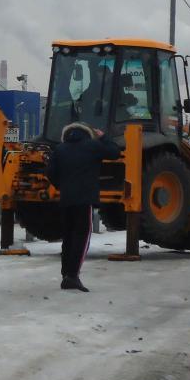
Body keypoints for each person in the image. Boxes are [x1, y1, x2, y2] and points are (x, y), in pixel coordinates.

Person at [46, 121, 121, 292]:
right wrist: (104, 137)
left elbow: (50, 173)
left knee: (69, 237)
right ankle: (73, 276)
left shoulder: (60, 149)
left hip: (66, 200)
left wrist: (61, 186)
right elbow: (115, 152)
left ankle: (66, 274)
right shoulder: (92, 146)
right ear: (87, 133)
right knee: (82, 236)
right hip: (84, 200)